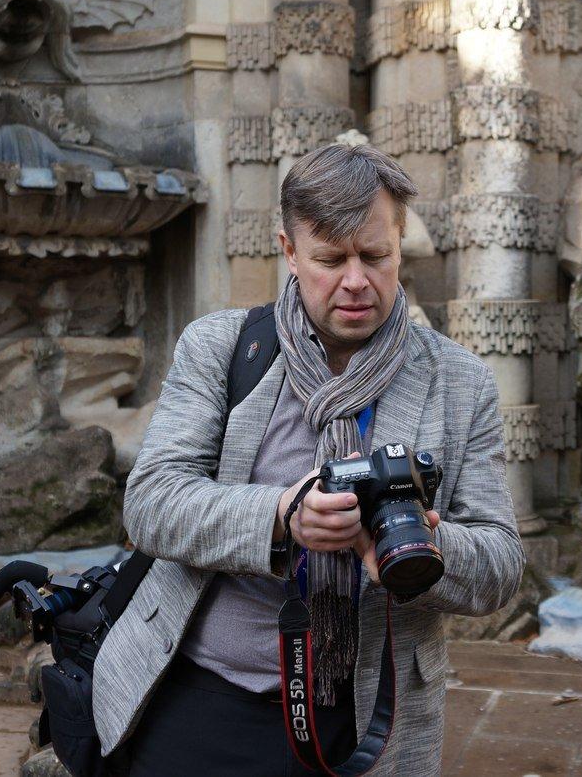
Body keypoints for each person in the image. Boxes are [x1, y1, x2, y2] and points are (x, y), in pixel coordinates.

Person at [92, 143, 525, 776]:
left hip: (371, 715)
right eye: (330, 259)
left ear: (399, 244)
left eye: (375, 256)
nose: (356, 281)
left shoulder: (459, 382)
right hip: (205, 693)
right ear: (289, 252)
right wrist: (282, 515)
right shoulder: (222, 348)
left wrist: (422, 547)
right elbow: (152, 504)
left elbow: (502, 565)